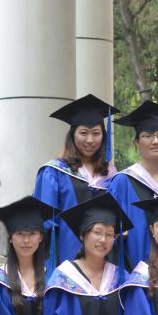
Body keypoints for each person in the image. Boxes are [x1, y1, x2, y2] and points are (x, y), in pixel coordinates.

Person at [35, 94, 119, 264]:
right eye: (83, 133)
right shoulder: (55, 172)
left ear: (103, 136)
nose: (90, 140)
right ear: (72, 135)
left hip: (104, 260)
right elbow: (44, 224)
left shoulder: (111, 174)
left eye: (96, 133)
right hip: (65, 259)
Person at [107, 100, 158, 270]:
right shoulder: (122, 182)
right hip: (135, 270)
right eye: (147, 136)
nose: (155, 141)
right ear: (136, 143)